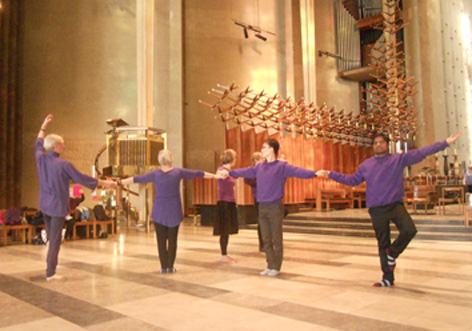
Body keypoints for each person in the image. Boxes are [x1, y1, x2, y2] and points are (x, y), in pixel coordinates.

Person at [317, 131, 462, 287]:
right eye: (375, 143)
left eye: (381, 142)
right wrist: (331, 174)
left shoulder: (398, 159)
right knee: (382, 242)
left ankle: (392, 253)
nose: (378, 145)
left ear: (387, 145)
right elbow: (352, 180)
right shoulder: (366, 165)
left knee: (409, 230)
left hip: (395, 205)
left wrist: (445, 143)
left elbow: (421, 152)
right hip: (376, 208)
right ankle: (387, 278)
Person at [219, 139, 318, 277]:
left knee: (276, 238)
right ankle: (270, 264)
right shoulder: (259, 167)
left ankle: (276, 266)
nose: (262, 150)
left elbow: (298, 171)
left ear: (272, 149)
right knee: (266, 238)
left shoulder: (281, 166)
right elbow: (245, 171)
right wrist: (229, 173)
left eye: (264, 148)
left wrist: (315, 173)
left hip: (275, 207)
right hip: (262, 206)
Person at [35, 114, 115, 281]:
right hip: (57, 207)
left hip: (45, 205)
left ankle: (49, 254)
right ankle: (51, 273)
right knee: (56, 240)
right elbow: (82, 178)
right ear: (56, 146)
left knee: (51, 238)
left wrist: (44, 125)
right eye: (62, 144)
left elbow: (38, 142)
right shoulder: (64, 165)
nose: (64, 147)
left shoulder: (41, 159)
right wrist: (104, 183)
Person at [120, 149, 220, 273]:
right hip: (174, 209)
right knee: (173, 240)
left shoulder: (154, 173)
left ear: (159, 160)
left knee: (161, 241)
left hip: (159, 210)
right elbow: (198, 173)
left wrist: (119, 182)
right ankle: (170, 266)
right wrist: (215, 176)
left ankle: (163, 267)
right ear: (171, 159)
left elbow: (137, 179)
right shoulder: (178, 172)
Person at [215, 149, 239, 263]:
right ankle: (223, 255)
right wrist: (224, 174)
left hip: (230, 202)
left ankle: (225, 254)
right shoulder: (221, 170)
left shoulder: (230, 171)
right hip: (224, 203)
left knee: (228, 230)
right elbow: (219, 175)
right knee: (224, 230)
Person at [243, 152, 264, 251]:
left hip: (267, 197)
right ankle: (262, 244)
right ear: (256, 160)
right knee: (261, 221)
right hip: (258, 198)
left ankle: (267, 241)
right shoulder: (252, 171)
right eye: (261, 159)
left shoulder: (265, 169)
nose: (263, 160)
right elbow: (247, 180)